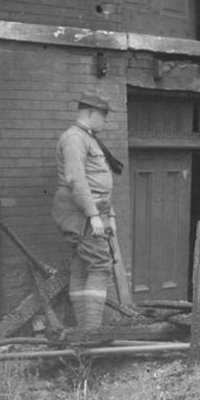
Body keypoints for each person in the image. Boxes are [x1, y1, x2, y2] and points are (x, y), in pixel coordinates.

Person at [52, 92, 121, 330]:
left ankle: (85, 330)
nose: (105, 121)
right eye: (103, 116)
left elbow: (97, 181)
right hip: (80, 212)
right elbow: (76, 179)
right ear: (89, 113)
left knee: (83, 265)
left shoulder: (87, 138)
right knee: (101, 264)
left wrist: (108, 215)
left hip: (91, 210)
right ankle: (91, 331)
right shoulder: (74, 138)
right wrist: (93, 215)